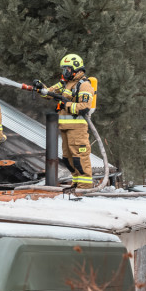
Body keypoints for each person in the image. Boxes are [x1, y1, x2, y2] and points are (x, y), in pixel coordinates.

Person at [34, 53, 95, 189]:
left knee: (80, 157)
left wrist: (66, 105)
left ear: (76, 69)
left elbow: (84, 107)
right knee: (68, 159)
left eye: (67, 69)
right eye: (64, 69)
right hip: (65, 127)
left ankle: (85, 186)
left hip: (77, 129)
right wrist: (40, 88)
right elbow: (49, 92)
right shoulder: (65, 84)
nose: (64, 72)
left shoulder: (84, 85)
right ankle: (76, 183)